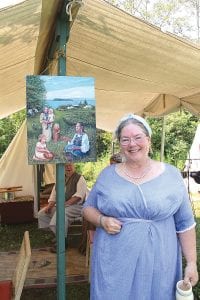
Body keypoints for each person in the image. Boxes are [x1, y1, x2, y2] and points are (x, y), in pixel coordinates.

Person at [82, 113, 198, 300]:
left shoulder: (171, 175)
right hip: (115, 259)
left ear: (148, 140)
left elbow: (185, 224)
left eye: (137, 137)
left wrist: (191, 263)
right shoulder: (107, 175)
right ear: (120, 144)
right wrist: (101, 220)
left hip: (159, 259)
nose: (132, 144)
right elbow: (88, 208)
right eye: (125, 139)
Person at [38, 163, 87, 251]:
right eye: (66, 166)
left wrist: (64, 205)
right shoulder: (60, 178)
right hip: (63, 206)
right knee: (42, 214)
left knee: (61, 214)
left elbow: (78, 196)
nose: (68, 167)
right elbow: (54, 195)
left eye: (70, 165)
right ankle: (57, 235)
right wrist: (49, 206)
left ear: (74, 166)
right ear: (62, 168)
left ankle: (62, 243)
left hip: (77, 206)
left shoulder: (79, 178)